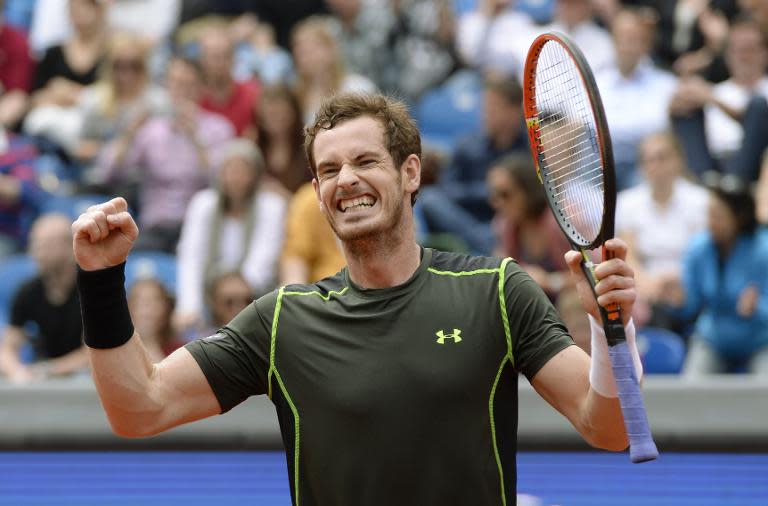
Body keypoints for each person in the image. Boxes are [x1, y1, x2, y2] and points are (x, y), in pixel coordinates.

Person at [72, 92, 642, 505]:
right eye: (328, 170)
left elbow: (609, 429)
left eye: (365, 161)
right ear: (317, 193)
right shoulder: (281, 321)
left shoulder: (497, 290)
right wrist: (100, 281)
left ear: (410, 172)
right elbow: (138, 409)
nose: (346, 179)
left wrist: (610, 330)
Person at [96, 55, 234, 252]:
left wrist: (196, 139)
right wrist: (128, 136)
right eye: (176, 84)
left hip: (201, 228)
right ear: (167, 87)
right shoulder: (151, 130)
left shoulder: (219, 129)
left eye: (189, 85)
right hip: (155, 227)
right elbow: (110, 173)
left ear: (201, 88)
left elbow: (223, 183)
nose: (182, 92)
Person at [174, 139, 286, 334]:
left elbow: (264, 257)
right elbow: (191, 256)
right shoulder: (203, 204)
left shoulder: (271, 206)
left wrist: (234, 294)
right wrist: (190, 306)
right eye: (230, 169)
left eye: (243, 170)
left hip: (254, 294)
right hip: (210, 294)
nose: (236, 177)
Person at [678, 173, 768, 375]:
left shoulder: (764, 249)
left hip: (761, 340)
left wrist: (758, 307)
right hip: (713, 338)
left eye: (718, 216)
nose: (710, 223)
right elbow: (690, 306)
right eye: (709, 214)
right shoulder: (698, 248)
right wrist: (678, 299)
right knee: (690, 391)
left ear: (739, 217)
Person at [0, 213, 87, 383]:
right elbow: (8, 348)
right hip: (47, 374)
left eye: (46, 245)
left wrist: (49, 369)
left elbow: (95, 352)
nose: (37, 253)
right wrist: (17, 372)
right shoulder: (28, 292)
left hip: (88, 379)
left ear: (70, 247)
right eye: (34, 244)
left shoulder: (91, 290)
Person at [487, 154, 571, 300]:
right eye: (494, 195)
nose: (497, 202)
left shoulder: (562, 221)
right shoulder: (504, 225)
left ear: (528, 191)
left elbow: (595, 273)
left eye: (505, 194)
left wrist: (552, 281)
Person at [127, 278, 183, 362]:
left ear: (166, 309)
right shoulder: (116, 350)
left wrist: (150, 343)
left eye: (155, 301)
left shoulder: (180, 351)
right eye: (139, 302)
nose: (147, 310)